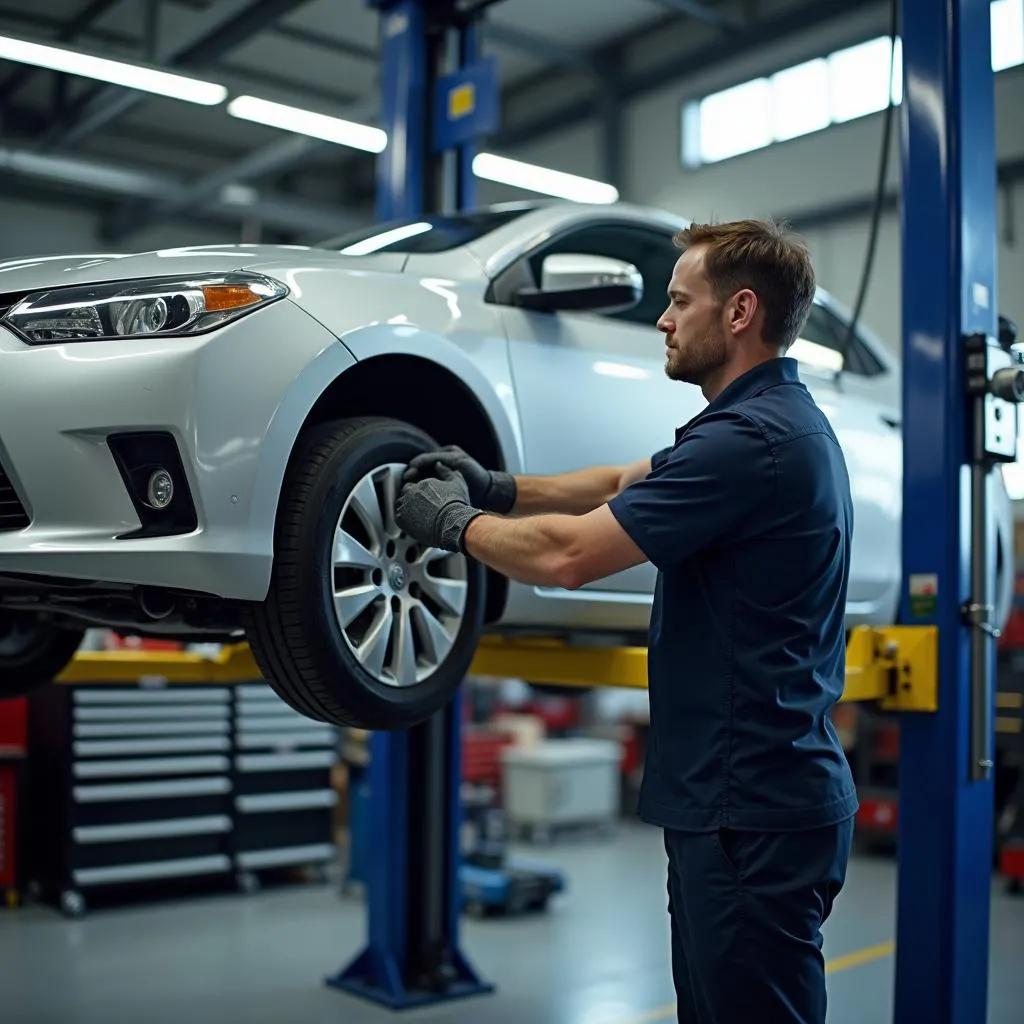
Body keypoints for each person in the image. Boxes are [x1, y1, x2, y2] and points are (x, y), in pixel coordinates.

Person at [394, 218, 859, 1024]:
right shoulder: (758, 424)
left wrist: (453, 524)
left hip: (749, 807)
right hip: (748, 799)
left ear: (741, 312)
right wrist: (495, 487)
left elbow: (568, 557)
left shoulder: (753, 442)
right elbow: (616, 478)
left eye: (681, 301)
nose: (663, 320)